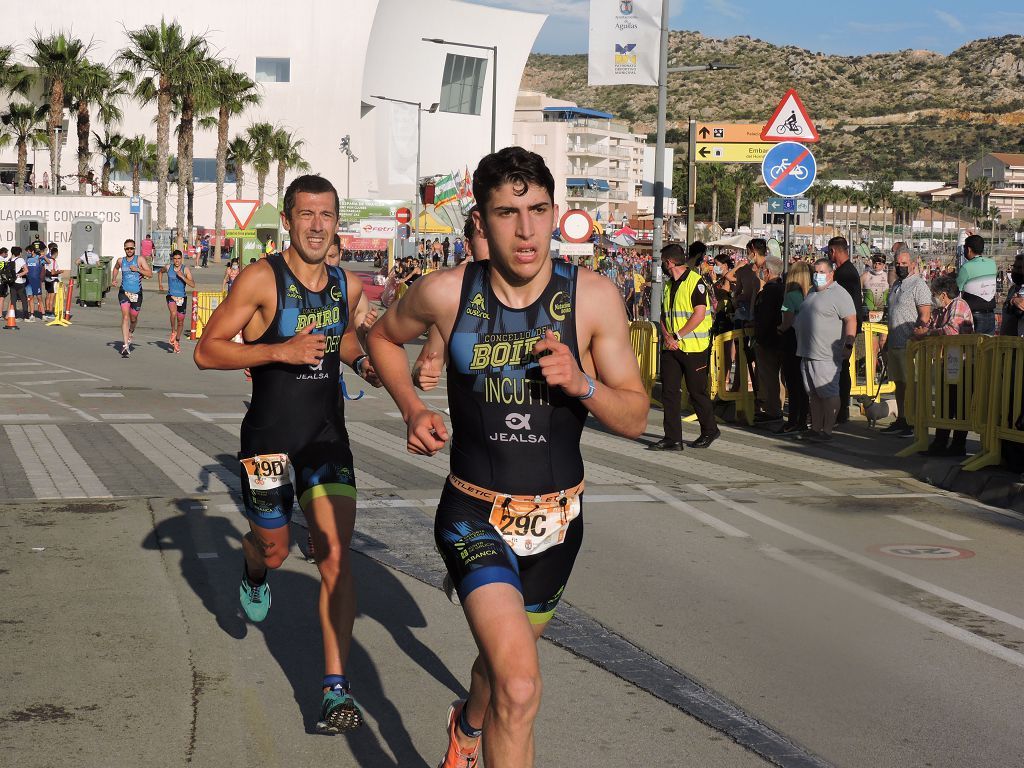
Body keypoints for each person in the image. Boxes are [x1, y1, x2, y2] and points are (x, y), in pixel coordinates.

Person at [367, 146, 648, 768]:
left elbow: (634, 416)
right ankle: (480, 725)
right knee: (520, 687)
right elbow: (381, 338)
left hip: (557, 523)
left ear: (556, 214)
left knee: (500, 674)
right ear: (483, 221)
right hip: (473, 512)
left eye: (538, 210)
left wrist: (583, 385)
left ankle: (468, 725)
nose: (525, 230)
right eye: (506, 213)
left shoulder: (595, 299)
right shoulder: (445, 293)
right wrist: (413, 408)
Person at [194, 174, 379, 735]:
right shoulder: (261, 279)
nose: (318, 226)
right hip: (269, 441)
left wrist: (365, 361)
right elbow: (206, 351)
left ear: (336, 221)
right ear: (289, 219)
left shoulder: (346, 286)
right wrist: (280, 349)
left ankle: (333, 691)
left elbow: (346, 340)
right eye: (307, 215)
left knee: (336, 559)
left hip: (327, 441)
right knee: (274, 552)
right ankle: (253, 565)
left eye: (327, 215)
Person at [650, 240, 720, 450]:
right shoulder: (669, 284)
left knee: (696, 392)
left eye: (663, 262)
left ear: (670, 262)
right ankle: (673, 438)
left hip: (694, 347)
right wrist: (666, 336)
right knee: (669, 393)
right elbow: (664, 314)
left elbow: (699, 314)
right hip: (672, 347)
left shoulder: (695, 282)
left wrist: (677, 336)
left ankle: (710, 430)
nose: (662, 266)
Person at [412, 205, 489, 392]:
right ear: (469, 246)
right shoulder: (454, 299)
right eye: (486, 236)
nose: (496, 243)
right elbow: (426, 361)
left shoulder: (555, 291)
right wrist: (421, 374)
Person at [794, 259, 858, 442]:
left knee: (828, 393)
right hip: (807, 352)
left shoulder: (839, 293)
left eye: (822, 272)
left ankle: (827, 430)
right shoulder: (812, 291)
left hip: (826, 355)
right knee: (813, 394)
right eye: (816, 272)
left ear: (831, 273)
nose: (817, 276)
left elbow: (851, 320)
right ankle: (815, 428)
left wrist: (848, 344)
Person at [913, 274, 974, 457]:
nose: (933, 297)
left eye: (934, 293)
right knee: (944, 405)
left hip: (962, 363)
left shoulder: (959, 304)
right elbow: (930, 325)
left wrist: (928, 333)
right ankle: (939, 444)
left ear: (943, 294)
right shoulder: (941, 310)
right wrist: (921, 330)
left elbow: (952, 330)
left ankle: (958, 446)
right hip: (946, 363)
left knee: (960, 405)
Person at [881, 249, 931, 436]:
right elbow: (892, 314)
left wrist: (917, 336)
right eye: (897, 263)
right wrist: (886, 340)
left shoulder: (919, 285)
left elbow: (925, 315)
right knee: (899, 384)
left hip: (910, 345)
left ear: (912, 264)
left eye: (904, 263)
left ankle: (913, 421)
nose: (900, 266)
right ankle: (901, 418)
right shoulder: (895, 286)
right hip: (895, 342)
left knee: (912, 385)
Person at [829, 237, 863, 424]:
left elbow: (845, 304)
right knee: (842, 368)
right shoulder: (847, 271)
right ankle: (841, 409)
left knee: (841, 368)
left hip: (845, 326)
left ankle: (841, 409)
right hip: (847, 325)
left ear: (834, 251)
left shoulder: (845, 274)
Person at [777, 261, 812, 434]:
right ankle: (804, 419)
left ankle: (792, 420)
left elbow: (787, 321)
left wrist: (779, 329)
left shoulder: (790, 296)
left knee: (792, 382)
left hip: (791, 341)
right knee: (803, 382)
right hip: (807, 341)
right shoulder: (811, 294)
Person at [752, 254, 786, 423]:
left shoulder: (769, 292)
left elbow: (764, 318)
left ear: (767, 271)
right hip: (780, 339)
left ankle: (773, 411)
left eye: (762, 269)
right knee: (777, 378)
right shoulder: (783, 289)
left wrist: (759, 338)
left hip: (768, 341)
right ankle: (776, 408)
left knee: (770, 378)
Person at [111, 238, 153, 358]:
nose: (129, 250)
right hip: (124, 292)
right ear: (124, 249)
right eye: (127, 248)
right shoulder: (121, 260)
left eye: (131, 248)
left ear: (134, 249)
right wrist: (114, 279)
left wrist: (138, 269)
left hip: (137, 293)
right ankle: (125, 345)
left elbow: (149, 274)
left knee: (133, 318)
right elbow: (115, 268)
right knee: (125, 316)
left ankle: (130, 332)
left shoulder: (139, 259)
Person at [956, 233, 996, 334]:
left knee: (972, 347)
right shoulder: (992, 263)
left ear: (968, 249)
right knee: (987, 347)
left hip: (974, 315)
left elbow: (956, 289)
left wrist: (951, 277)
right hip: (991, 314)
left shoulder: (966, 267)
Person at [165, 250, 195, 353]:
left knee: (181, 321)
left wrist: (182, 276)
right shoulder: (169, 267)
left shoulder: (185, 269)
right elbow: (160, 272)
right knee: (173, 313)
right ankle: (173, 332)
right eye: (175, 259)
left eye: (179, 259)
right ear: (172, 259)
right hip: (171, 296)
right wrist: (160, 283)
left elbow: (192, 284)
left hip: (182, 297)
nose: (177, 261)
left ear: (181, 259)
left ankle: (177, 341)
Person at [861, 253, 890, 323]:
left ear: (884, 265)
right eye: (875, 263)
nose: (876, 266)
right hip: (867, 313)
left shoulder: (888, 277)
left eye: (879, 263)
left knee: (882, 332)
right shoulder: (865, 276)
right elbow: (856, 292)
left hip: (883, 314)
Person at [1000, 253, 1024, 337]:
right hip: (1007, 341)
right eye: (1015, 267)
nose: (1016, 271)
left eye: (1020, 268)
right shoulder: (1012, 289)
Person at [24, 243, 46, 321]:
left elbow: (49, 262)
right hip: (29, 282)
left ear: (32, 251)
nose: (27, 253)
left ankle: (43, 315)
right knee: (31, 298)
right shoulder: (27, 259)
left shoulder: (39, 258)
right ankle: (32, 314)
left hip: (37, 281)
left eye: (28, 251)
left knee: (39, 298)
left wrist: (44, 256)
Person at [8, 246, 28, 320]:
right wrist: (19, 275)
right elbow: (26, 270)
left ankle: (14, 316)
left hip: (12, 282)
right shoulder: (21, 260)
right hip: (19, 282)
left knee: (13, 300)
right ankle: (26, 316)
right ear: (19, 253)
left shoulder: (10, 260)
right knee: (23, 299)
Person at [43, 243, 61, 319]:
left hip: (47, 280)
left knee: (48, 296)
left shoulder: (47, 260)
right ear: (56, 253)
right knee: (51, 297)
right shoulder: (53, 261)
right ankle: (50, 312)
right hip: (53, 280)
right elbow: (53, 272)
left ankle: (47, 311)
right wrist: (60, 272)